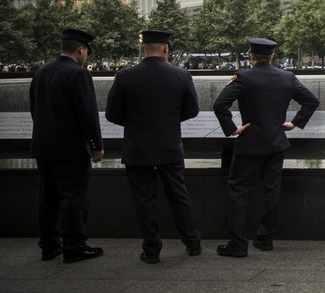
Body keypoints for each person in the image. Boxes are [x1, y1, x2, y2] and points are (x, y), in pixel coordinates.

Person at [213, 38, 320, 257]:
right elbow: (311, 101)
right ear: (272, 56)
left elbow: (219, 104)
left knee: (238, 191)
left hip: (249, 142)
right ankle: (265, 239)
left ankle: (238, 244)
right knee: (272, 192)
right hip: (276, 143)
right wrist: (295, 123)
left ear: (251, 56)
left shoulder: (243, 77)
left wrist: (233, 128)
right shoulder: (287, 77)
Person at [105, 30, 202, 264]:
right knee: (178, 195)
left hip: (137, 147)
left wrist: (136, 123)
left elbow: (112, 114)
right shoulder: (181, 75)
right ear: (166, 49)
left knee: (143, 199)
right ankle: (192, 242)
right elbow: (192, 110)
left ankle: (151, 249)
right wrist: (168, 121)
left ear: (143, 49)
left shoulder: (125, 76)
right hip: (169, 145)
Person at [29, 29, 104, 263]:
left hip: (44, 146)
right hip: (70, 149)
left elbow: (34, 109)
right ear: (81, 50)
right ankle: (74, 246)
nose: (86, 58)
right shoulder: (78, 74)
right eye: (86, 53)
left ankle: (49, 245)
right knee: (74, 197)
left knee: (48, 197)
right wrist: (95, 144)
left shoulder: (41, 72)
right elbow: (88, 114)